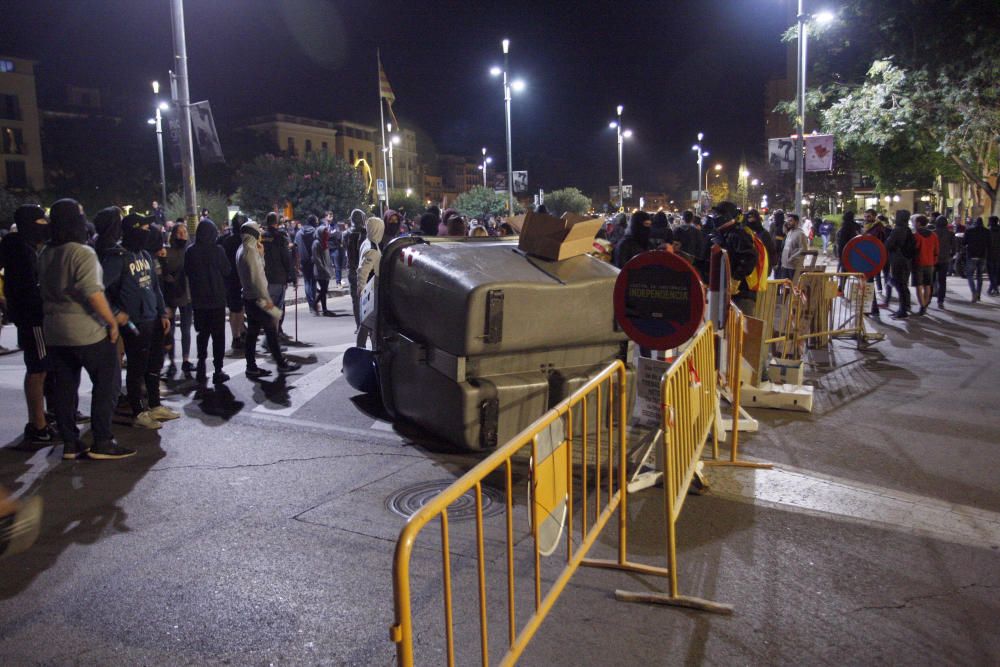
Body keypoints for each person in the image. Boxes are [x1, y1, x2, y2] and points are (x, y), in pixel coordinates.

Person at [38, 199, 133, 459]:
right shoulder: (82, 252)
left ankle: (70, 442)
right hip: (84, 329)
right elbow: (92, 293)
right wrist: (112, 321)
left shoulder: (46, 252)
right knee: (107, 382)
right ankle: (102, 440)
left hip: (54, 330)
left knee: (65, 386)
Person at [103, 213, 176, 429]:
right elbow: (101, 289)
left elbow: (155, 287)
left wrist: (162, 313)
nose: (147, 232)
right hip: (133, 321)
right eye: (143, 228)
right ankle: (138, 411)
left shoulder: (144, 255)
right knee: (137, 367)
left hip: (152, 318)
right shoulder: (117, 257)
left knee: (154, 364)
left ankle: (155, 405)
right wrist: (116, 313)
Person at [0, 205, 57, 445]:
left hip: (30, 315)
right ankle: (38, 424)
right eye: (40, 222)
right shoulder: (21, 250)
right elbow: (28, 286)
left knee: (39, 368)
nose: (44, 226)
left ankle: (40, 419)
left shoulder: (20, 247)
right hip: (32, 317)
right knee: (38, 369)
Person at [236, 221, 300, 378]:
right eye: (258, 230)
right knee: (271, 326)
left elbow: (259, 268)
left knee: (253, 332)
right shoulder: (249, 251)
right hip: (259, 297)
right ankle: (281, 363)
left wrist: (262, 254)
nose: (260, 233)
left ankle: (251, 366)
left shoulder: (243, 249)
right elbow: (258, 276)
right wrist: (267, 301)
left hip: (250, 297)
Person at [185, 218, 230, 385]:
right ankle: (218, 370)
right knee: (218, 337)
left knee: (202, 335)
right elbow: (227, 270)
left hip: (199, 301)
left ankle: (201, 365)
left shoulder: (191, 251)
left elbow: (187, 272)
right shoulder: (218, 250)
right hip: (217, 300)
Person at [161, 223, 193, 378]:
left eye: (184, 232)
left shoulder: (190, 250)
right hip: (171, 295)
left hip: (187, 295)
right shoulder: (166, 252)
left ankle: (186, 360)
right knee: (170, 330)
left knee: (186, 329)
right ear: (173, 235)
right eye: (179, 233)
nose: (182, 235)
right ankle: (172, 361)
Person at [261, 212, 293, 339]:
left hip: (263, 279)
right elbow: (286, 258)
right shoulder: (280, 236)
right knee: (276, 309)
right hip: (278, 279)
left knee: (268, 307)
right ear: (276, 222)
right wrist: (292, 277)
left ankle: (272, 333)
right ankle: (272, 336)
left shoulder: (261, 237)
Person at [218, 214, 246, 353]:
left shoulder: (225, 240)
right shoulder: (242, 242)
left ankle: (240, 332)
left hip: (229, 279)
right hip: (239, 279)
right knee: (237, 310)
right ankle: (237, 336)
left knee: (237, 309)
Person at [356, 217, 384, 348]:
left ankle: (360, 351)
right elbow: (363, 270)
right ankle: (372, 352)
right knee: (371, 324)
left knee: (366, 324)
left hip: (370, 288)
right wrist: (361, 288)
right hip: (372, 289)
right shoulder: (372, 249)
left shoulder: (368, 242)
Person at [884, 209, 915, 319]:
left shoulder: (897, 230)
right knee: (903, 284)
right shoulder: (908, 229)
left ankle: (902, 310)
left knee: (899, 285)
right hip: (906, 260)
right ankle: (906, 306)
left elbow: (888, 244)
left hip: (897, 260)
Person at [911, 214, 939, 315]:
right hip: (930, 263)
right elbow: (936, 250)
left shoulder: (917, 235)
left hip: (918, 263)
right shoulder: (933, 235)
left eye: (914, 222)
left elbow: (914, 249)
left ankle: (922, 306)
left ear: (918, 223)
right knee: (928, 285)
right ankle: (925, 304)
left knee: (919, 285)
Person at [344, 209, 366, 332]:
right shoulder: (366, 234)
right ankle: (366, 325)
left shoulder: (346, 234)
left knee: (355, 299)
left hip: (351, 270)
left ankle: (359, 325)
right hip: (364, 269)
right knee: (367, 297)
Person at [294, 215, 319, 315]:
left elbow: (295, 248)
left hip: (303, 260)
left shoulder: (299, 233)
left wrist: (297, 262)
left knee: (307, 282)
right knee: (313, 282)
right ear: (313, 222)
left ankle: (311, 304)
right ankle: (313, 304)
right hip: (313, 259)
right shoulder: (315, 232)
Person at [963, 217, 989, 302]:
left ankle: (973, 292)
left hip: (971, 255)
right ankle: (978, 294)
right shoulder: (987, 231)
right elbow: (990, 243)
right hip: (982, 255)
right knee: (979, 275)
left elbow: (964, 242)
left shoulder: (969, 231)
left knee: (970, 274)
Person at [932, 215, 955, 308]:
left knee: (932, 280)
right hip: (945, 259)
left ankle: (928, 298)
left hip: (934, 259)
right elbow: (954, 248)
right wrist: (950, 256)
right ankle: (940, 301)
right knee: (942, 281)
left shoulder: (933, 233)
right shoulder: (950, 234)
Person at [312, 225, 335, 316]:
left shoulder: (324, 242)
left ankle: (324, 309)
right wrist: (324, 269)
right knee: (324, 290)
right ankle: (316, 304)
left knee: (324, 290)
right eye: (325, 232)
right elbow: (317, 259)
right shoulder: (316, 243)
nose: (327, 233)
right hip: (320, 270)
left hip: (326, 270)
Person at [780, 214, 807, 281]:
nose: (788, 222)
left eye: (791, 221)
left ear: (797, 222)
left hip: (794, 267)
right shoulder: (789, 233)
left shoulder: (801, 234)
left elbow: (804, 249)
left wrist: (792, 258)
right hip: (785, 266)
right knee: (785, 288)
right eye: (787, 221)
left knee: (793, 288)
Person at [769, 210, 786, 277]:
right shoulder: (773, 224)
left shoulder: (785, 224)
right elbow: (771, 235)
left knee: (779, 267)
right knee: (776, 267)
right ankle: (777, 283)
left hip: (781, 248)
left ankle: (778, 283)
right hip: (776, 248)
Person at [986, 215, 1000, 296]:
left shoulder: (988, 231)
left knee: (991, 273)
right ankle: (993, 288)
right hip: (998, 255)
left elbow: (986, 244)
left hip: (990, 255)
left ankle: (994, 288)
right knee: (996, 273)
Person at [330, 220, 346, 288]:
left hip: (339, 250)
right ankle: (338, 281)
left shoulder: (340, 232)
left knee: (338, 266)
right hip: (336, 250)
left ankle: (339, 281)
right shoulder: (338, 232)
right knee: (337, 266)